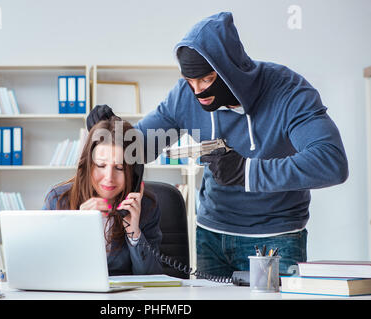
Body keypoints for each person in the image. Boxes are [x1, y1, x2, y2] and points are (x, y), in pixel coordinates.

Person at [86, 12, 349, 277]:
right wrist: (113, 133)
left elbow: (331, 162)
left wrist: (247, 171)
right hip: (211, 236)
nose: (198, 90)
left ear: (229, 70)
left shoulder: (289, 92)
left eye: (206, 80)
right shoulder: (184, 96)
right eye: (190, 81)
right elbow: (142, 147)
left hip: (276, 237)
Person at [42, 117, 163, 276]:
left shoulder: (147, 206)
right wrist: (77, 229)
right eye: (101, 166)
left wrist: (134, 232)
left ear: (133, 172)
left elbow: (153, 277)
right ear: (88, 165)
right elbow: (46, 269)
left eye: (119, 168)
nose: (109, 177)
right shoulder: (58, 200)